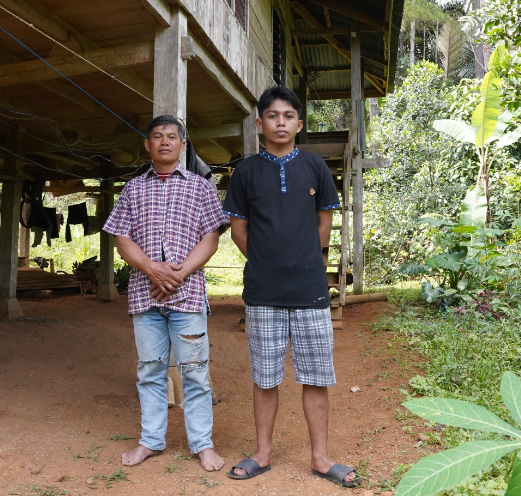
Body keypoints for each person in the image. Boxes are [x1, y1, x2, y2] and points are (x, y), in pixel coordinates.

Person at [222, 86, 360, 487]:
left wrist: (299, 261)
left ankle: (320, 457)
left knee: (316, 376)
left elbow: (323, 226)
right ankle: (262, 454)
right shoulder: (245, 171)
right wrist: (269, 262)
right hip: (262, 292)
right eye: (272, 115)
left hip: (311, 291)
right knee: (265, 377)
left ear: (299, 124)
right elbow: (238, 231)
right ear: (259, 123)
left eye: (287, 116)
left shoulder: (315, 167)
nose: (279, 122)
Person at [102, 114, 227, 472]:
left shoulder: (200, 187)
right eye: (157, 136)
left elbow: (212, 237)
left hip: (187, 296)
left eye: (172, 136)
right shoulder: (133, 188)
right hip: (146, 294)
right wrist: (151, 268)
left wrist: (180, 272)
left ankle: (202, 445)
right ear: (147, 144)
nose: (165, 142)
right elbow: (122, 236)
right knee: (150, 370)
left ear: (183, 145)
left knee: (195, 371)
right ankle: (151, 441)